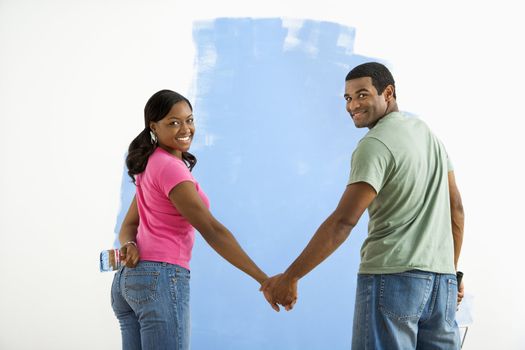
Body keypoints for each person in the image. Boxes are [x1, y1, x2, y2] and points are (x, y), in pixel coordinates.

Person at [261, 62, 465, 349]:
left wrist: (291, 276)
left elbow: (344, 221)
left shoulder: (376, 144)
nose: (352, 105)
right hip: (441, 284)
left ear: (388, 93)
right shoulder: (427, 135)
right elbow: (455, 207)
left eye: (362, 94)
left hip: (392, 281)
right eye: (347, 98)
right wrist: (450, 274)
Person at [111, 89, 271, 350]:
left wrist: (130, 244)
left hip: (128, 282)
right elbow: (211, 230)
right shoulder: (171, 169)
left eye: (189, 119)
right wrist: (264, 279)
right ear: (154, 127)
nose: (185, 128)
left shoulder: (150, 163)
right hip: (160, 279)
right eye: (173, 122)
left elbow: (128, 226)